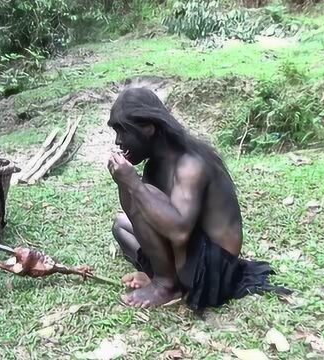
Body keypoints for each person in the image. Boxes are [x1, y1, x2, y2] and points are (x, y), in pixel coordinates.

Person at [108, 87, 289, 310]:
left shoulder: (190, 164)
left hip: (213, 267)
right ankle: (160, 276)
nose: (118, 141)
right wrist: (124, 183)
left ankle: (166, 285)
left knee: (144, 195)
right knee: (121, 226)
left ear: (148, 128)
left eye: (122, 131)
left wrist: (133, 184)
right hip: (186, 254)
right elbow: (141, 216)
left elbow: (179, 231)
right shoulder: (156, 163)